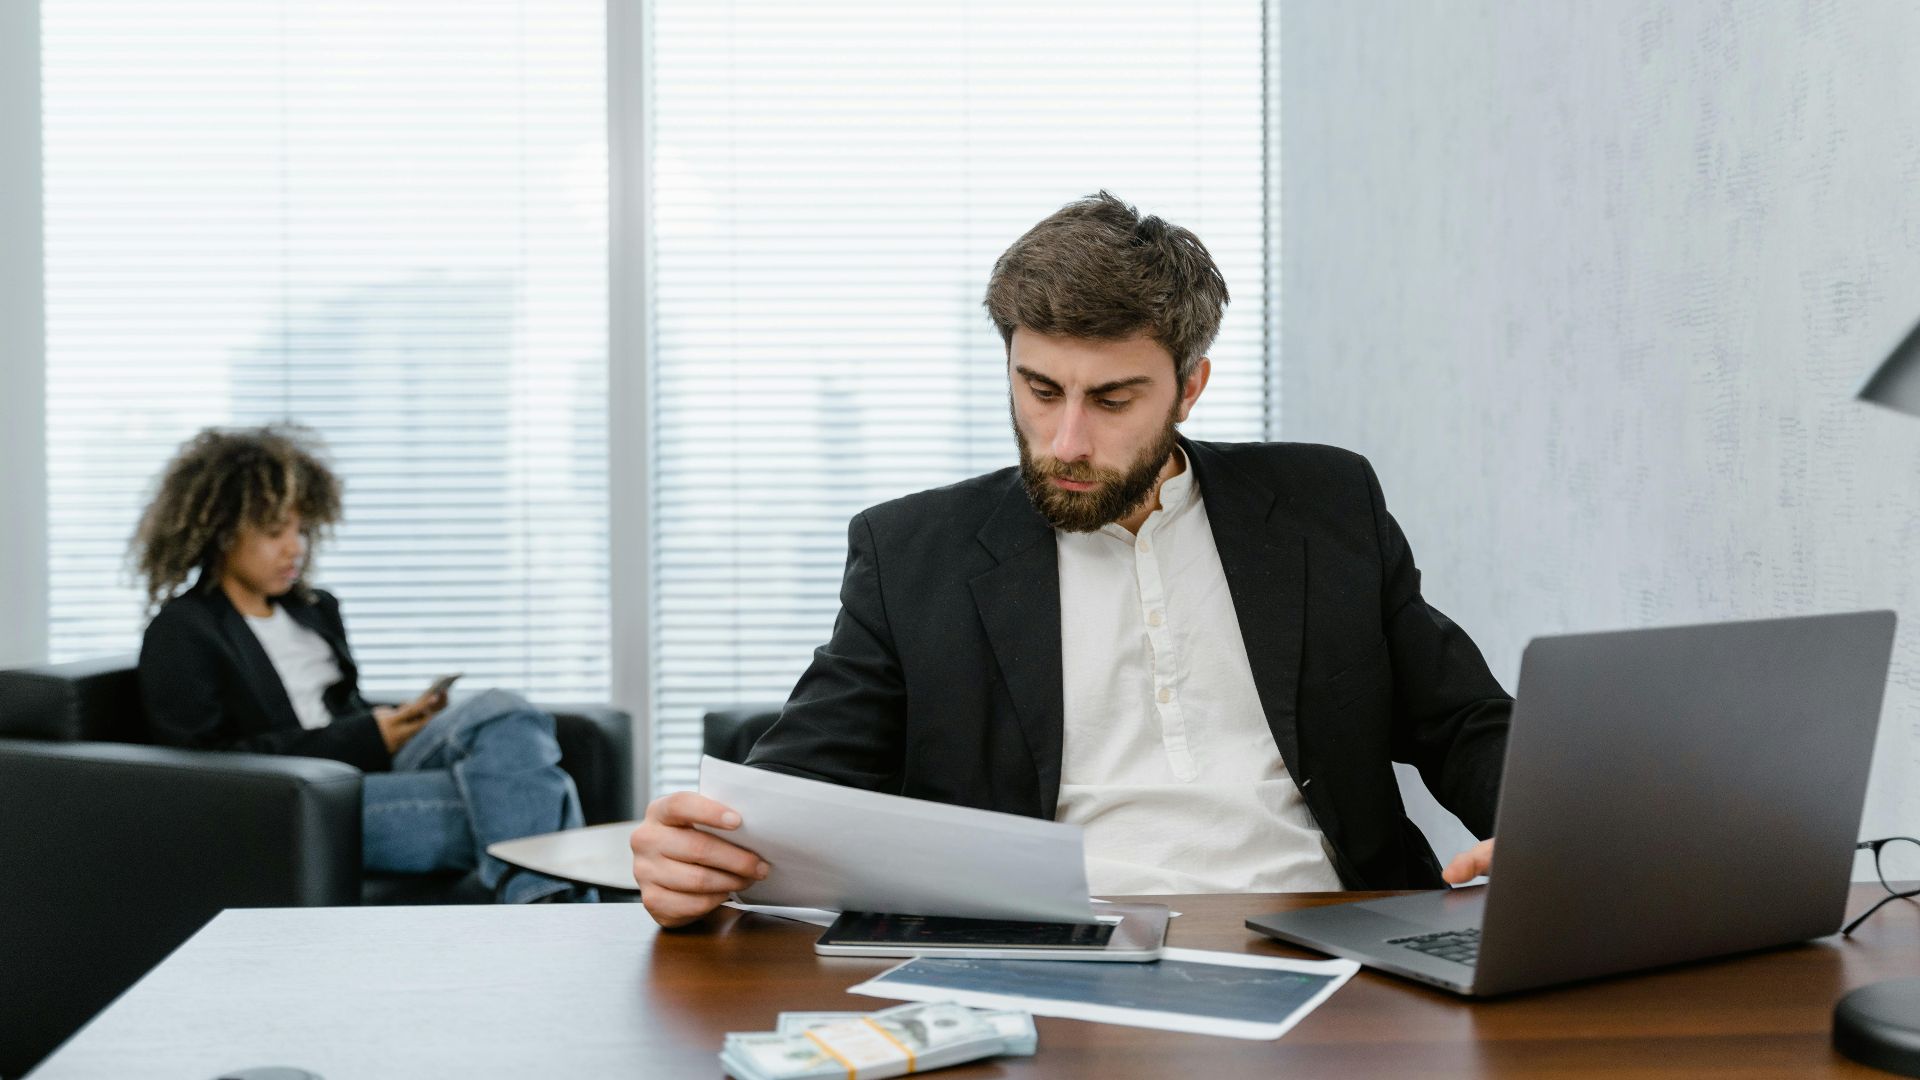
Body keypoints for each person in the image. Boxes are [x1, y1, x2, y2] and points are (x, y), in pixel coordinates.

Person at [630, 192, 1508, 927]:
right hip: (1053, 951)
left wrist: (1546, 839)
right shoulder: (912, 555)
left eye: (1114, 398)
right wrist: (700, 859)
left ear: (1190, 385)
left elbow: (1463, 722)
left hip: (1330, 937)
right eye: (1039, 389)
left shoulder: (1325, 504)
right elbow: (796, 796)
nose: (1066, 440)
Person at [133, 424, 592, 903]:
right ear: (222, 535)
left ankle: (543, 910)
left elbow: (339, 708)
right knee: (524, 800)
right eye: (275, 532)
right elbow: (207, 770)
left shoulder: (314, 608)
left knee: (505, 709)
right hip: (302, 802)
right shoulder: (183, 630)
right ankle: (551, 913)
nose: (295, 548)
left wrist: (399, 724)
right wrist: (367, 737)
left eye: (302, 529)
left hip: (369, 767)